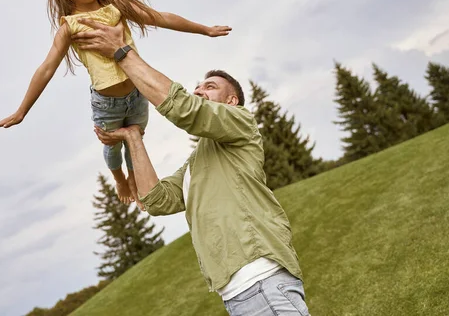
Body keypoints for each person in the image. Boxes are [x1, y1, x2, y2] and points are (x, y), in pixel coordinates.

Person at [72, 19, 311, 316]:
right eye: (197, 86)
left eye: (209, 87)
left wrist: (121, 53)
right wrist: (133, 137)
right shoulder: (196, 164)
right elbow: (156, 200)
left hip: (262, 278)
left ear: (231, 101)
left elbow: (185, 108)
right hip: (237, 294)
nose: (198, 90)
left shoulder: (241, 123)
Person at [0, 0, 231, 207]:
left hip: (138, 94)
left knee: (135, 139)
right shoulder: (69, 27)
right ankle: (119, 178)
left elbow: (160, 17)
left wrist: (204, 30)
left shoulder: (117, 9)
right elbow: (46, 68)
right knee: (113, 146)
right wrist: (21, 111)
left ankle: (134, 178)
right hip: (107, 103)